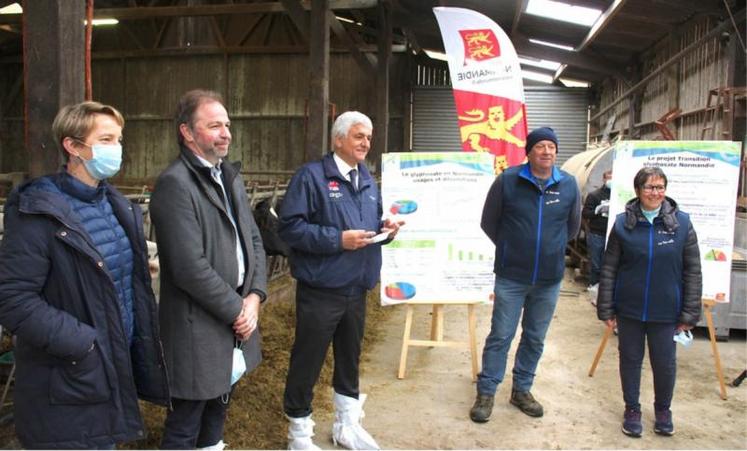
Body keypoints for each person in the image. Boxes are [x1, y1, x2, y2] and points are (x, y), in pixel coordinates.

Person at [0, 101, 169, 448]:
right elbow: (12, 298)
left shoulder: (116, 205)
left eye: (120, 140)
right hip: (70, 371)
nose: (117, 149)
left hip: (111, 366)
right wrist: (84, 343)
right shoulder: (38, 212)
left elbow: (98, 270)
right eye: (106, 139)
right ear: (73, 146)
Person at [278, 111, 403, 450]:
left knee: (349, 358)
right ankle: (299, 435)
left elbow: (368, 228)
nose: (366, 143)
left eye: (369, 137)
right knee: (308, 360)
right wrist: (337, 240)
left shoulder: (366, 179)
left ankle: (346, 424)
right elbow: (289, 228)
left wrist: (385, 231)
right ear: (338, 139)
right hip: (321, 290)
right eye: (359, 136)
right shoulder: (312, 177)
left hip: (357, 288)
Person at [150, 90, 268, 449]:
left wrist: (255, 297)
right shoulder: (175, 184)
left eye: (227, 125)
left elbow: (255, 242)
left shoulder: (228, 176)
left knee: (218, 410)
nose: (226, 133)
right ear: (187, 132)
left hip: (234, 320)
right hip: (197, 326)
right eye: (214, 125)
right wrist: (239, 311)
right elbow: (188, 268)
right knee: (187, 420)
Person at [470, 126, 581, 423]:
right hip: (511, 277)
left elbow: (571, 228)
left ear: (557, 152)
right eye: (540, 146)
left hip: (549, 279)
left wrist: (551, 250)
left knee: (535, 337)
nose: (546, 151)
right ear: (529, 151)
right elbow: (488, 222)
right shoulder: (508, 180)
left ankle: (521, 390)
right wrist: (512, 248)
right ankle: (487, 392)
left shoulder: (568, 185)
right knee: (501, 335)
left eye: (551, 147)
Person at [596, 166, 701, 438]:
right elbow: (609, 269)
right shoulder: (622, 224)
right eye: (649, 187)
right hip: (629, 309)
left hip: (666, 311)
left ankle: (663, 410)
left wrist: (689, 313)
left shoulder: (682, 224)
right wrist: (606, 307)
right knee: (630, 360)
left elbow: (692, 270)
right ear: (638, 191)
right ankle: (632, 409)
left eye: (660, 187)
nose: (655, 192)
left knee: (665, 364)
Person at [582, 169, 612, 301]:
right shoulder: (595, 195)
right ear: (604, 180)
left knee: (609, 265)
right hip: (597, 234)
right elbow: (585, 214)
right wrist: (598, 210)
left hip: (613, 235)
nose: (611, 181)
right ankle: (594, 289)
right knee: (596, 264)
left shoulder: (620, 195)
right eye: (609, 178)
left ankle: (606, 293)